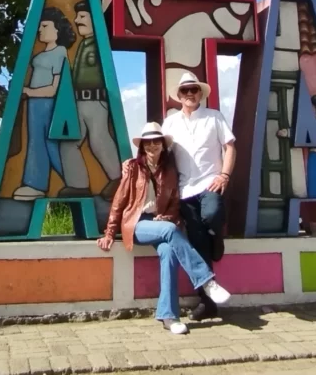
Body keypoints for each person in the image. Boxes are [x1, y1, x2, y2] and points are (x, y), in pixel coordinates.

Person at [98, 123, 230, 334]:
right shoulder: (133, 167)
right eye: (147, 143)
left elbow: (175, 204)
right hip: (136, 223)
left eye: (156, 142)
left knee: (169, 252)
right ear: (142, 147)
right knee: (169, 230)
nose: (152, 146)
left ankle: (169, 316)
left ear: (162, 145)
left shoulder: (169, 171)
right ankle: (206, 281)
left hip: (159, 223)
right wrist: (109, 233)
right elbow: (119, 201)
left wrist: (167, 217)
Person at [162, 72, 236, 321]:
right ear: (179, 96)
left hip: (210, 184)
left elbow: (230, 146)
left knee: (213, 214)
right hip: (184, 190)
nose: (190, 94)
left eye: (194, 89)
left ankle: (218, 236)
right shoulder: (170, 122)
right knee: (198, 247)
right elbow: (162, 154)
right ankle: (207, 303)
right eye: (185, 91)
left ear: (201, 93)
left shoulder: (214, 117)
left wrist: (224, 175)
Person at [60, 0, 122, 200]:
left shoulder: (99, 45)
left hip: (96, 101)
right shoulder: (84, 45)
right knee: (69, 142)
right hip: (78, 102)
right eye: (77, 16)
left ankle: (118, 180)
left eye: (82, 16)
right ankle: (78, 185)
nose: (77, 20)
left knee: (99, 140)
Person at [14, 7, 76, 201]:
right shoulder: (41, 54)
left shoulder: (60, 52)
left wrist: (29, 91)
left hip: (48, 104)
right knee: (35, 142)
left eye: (45, 26)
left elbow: (54, 88)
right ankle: (35, 184)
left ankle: (73, 179)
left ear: (57, 30)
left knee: (51, 143)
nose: (40, 29)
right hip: (34, 104)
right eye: (40, 26)